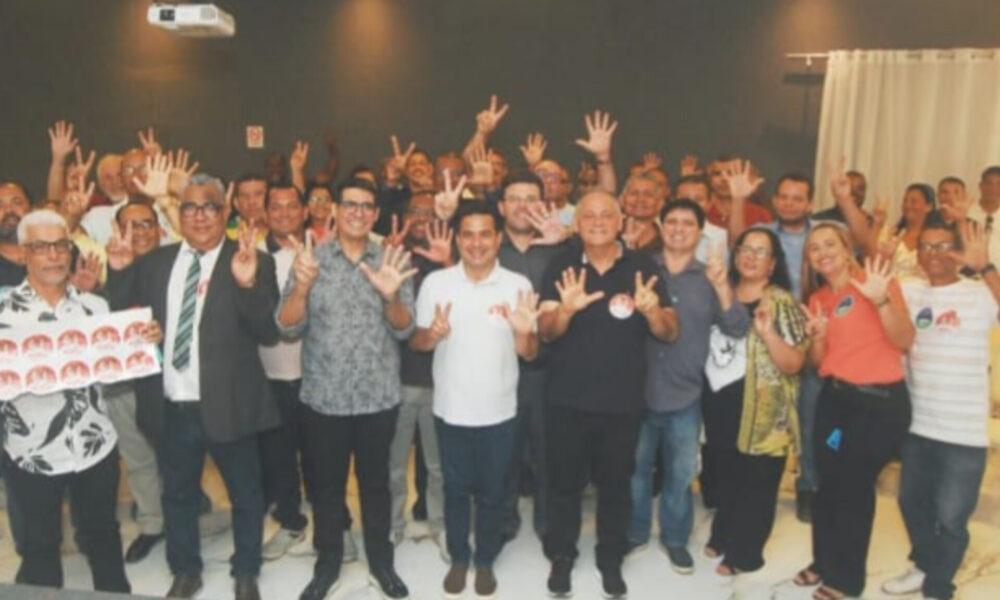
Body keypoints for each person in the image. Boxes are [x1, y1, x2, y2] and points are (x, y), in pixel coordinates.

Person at [105, 173, 281, 600]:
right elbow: (120, 317)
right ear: (179, 214)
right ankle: (185, 570)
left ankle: (246, 570)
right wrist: (120, 270)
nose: (200, 216)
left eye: (209, 207)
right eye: (190, 207)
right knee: (178, 495)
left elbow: (267, 330)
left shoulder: (252, 259)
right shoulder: (155, 262)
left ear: (225, 212)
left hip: (229, 404)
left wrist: (246, 284)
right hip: (171, 405)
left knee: (246, 495)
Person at [0, 209, 158, 593]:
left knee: (103, 536)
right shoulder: (3, 315)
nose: (54, 255)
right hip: (32, 453)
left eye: (61, 245)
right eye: (41, 247)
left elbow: (118, 366)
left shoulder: (94, 308)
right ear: (22, 253)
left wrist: (143, 341)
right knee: (39, 549)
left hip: (94, 445)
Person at [276, 176, 414, 600]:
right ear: (335, 210)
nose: (358, 212)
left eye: (367, 206)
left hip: (377, 397)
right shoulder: (311, 260)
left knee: (376, 485)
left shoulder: (391, 259)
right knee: (326, 489)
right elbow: (287, 325)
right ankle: (328, 563)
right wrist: (302, 286)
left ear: (376, 214)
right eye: (350, 204)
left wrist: (391, 297)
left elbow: (405, 329)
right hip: (324, 399)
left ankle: (381, 562)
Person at [539, 190, 679, 599]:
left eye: (606, 215)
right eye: (589, 216)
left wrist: (652, 311)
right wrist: (565, 310)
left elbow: (670, 332)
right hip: (566, 400)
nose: (598, 222)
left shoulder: (643, 266)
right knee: (563, 484)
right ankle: (562, 555)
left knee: (617, 485)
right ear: (576, 224)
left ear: (620, 222)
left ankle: (610, 558)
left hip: (622, 403)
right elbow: (545, 332)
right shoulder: (561, 264)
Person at [411, 201, 540, 599]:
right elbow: (418, 342)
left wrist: (524, 333)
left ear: (498, 238)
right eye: (468, 234)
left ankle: (484, 560)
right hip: (451, 409)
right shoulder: (436, 283)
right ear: (457, 239)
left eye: (485, 234)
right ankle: (459, 556)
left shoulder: (517, 284)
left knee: (493, 493)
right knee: (454, 490)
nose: (477, 243)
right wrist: (433, 334)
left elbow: (530, 353)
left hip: (500, 412)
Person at [628, 199, 749, 573]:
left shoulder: (710, 276)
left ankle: (676, 539)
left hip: (686, 394)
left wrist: (723, 286)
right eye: (672, 222)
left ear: (700, 233)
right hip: (636, 392)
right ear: (661, 226)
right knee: (634, 470)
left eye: (688, 224)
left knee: (681, 475)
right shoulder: (639, 269)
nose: (679, 229)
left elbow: (737, 327)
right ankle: (635, 532)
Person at [796, 223, 915, 600]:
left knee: (853, 486)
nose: (823, 252)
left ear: (847, 248)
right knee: (827, 481)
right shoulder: (818, 298)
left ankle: (846, 580)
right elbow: (819, 363)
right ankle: (824, 561)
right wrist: (817, 339)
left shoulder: (875, 283)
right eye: (814, 248)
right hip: (835, 403)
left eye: (830, 244)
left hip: (878, 405)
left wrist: (881, 301)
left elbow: (905, 340)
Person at [882, 220, 998, 600]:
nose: (934, 254)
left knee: (951, 516)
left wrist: (986, 267)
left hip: (963, 433)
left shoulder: (979, 293)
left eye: (944, 246)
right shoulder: (911, 290)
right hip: (918, 425)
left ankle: (938, 586)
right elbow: (872, 290)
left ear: (959, 252)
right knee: (911, 502)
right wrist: (880, 254)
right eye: (927, 246)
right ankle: (924, 565)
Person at [703, 228, 808, 576]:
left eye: (761, 252)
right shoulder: (720, 289)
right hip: (721, 403)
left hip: (764, 412)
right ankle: (723, 533)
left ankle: (745, 554)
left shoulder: (780, 302)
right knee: (726, 474)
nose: (751, 256)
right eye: (746, 249)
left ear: (773, 263)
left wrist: (769, 335)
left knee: (757, 485)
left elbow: (794, 363)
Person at [495, 170, 568, 543]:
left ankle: (547, 522)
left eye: (530, 199)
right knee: (503, 449)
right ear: (501, 206)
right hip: (496, 364)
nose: (522, 206)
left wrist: (567, 240)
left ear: (544, 204)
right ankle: (504, 521)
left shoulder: (561, 249)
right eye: (514, 199)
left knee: (547, 449)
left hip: (548, 367)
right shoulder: (488, 247)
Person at [387, 190, 452, 554]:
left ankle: (439, 524)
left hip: (439, 380)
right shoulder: (389, 256)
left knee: (438, 465)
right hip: (395, 380)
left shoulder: (452, 261)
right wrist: (386, 256)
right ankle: (393, 524)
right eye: (415, 210)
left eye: (430, 212)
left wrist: (448, 263)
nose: (422, 218)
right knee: (394, 464)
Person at [257, 183, 312, 561]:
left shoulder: (320, 252)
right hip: (269, 375)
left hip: (316, 376)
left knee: (322, 458)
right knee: (279, 457)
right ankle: (291, 520)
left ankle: (335, 527)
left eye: (292, 205)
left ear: (304, 211)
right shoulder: (251, 256)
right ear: (265, 213)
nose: (284, 213)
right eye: (275, 207)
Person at [875, 183, 938, 281]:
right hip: (892, 288)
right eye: (905, 201)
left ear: (928, 206)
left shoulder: (936, 238)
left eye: (913, 201)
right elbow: (872, 263)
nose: (908, 205)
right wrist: (877, 225)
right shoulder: (891, 234)